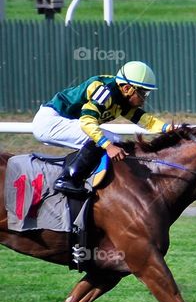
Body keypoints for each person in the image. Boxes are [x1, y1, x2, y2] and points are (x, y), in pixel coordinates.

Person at [32, 60, 173, 198]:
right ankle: (68, 179)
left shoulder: (122, 98)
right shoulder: (105, 91)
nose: (144, 99)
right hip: (50, 122)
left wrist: (167, 128)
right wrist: (108, 146)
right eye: (143, 93)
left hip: (61, 121)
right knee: (112, 140)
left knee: (115, 140)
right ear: (127, 88)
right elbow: (86, 121)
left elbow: (145, 120)